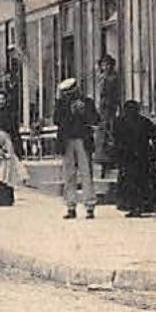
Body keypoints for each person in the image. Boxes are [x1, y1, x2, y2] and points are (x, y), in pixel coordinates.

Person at [55, 76, 100, 219]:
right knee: (69, 175)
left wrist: (83, 112)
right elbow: (57, 120)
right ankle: (71, 205)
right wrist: (69, 112)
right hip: (67, 141)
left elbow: (95, 120)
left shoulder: (87, 102)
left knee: (86, 173)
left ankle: (89, 205)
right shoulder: (61, 104)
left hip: (82, 140)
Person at [112, 99, 156, 217]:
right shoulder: (144, 121)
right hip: (140, 157)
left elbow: (115, 140)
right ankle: (140, 206)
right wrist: (154, 152)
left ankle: (135, 206)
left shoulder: (120, 122)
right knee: (139, 183)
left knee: (132, 183)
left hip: (131, 157)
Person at [94, 53, 122, 174]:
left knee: (111, 132)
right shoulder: (102, 77)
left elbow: (116, 93)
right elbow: (101, 93)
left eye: (108, 64)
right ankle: (103, 160)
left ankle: (111, 159)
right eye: (104, 64)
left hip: (111, 107)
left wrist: (118, 106)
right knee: (103, 133)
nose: (106, 67)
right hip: (103, 108)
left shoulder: (113, 78)